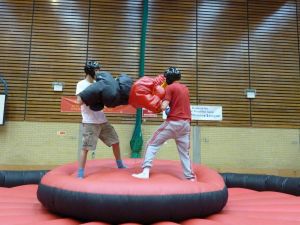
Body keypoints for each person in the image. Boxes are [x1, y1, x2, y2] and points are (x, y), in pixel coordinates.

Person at [132, 67, 196, 181]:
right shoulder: (185, 88)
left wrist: (155, 102)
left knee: (151, 144)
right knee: (184, 152)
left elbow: (163, 106)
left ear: (169, 78)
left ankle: (145, 172)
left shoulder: (170, 88)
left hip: (173, 123)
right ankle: (190, 177)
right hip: (186, 124)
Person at [76, 60, 126, 179]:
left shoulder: (100, 82)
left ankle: (120, 165)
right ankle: (80, 173)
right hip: (89, 122)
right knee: (86, 148)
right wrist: (94, 97)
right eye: (96, 70)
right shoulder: (81, 84)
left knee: (115, 141)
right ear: (90, 71)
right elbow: (79, 101)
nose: (98, 72)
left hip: (102, 120)